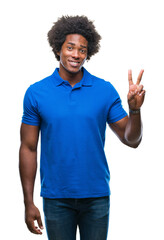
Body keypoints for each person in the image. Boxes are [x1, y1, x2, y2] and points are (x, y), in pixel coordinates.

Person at [19, 15, 146, 240]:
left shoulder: (104, 91)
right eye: (70, 47)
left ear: (89, 53)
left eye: (82, 50)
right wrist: (28, 203)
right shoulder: (36, 93)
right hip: (56, 198)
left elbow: (132, 140)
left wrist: (134, 110)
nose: (76, 55)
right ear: (58, 49)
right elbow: (28, 148)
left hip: (96, 197)